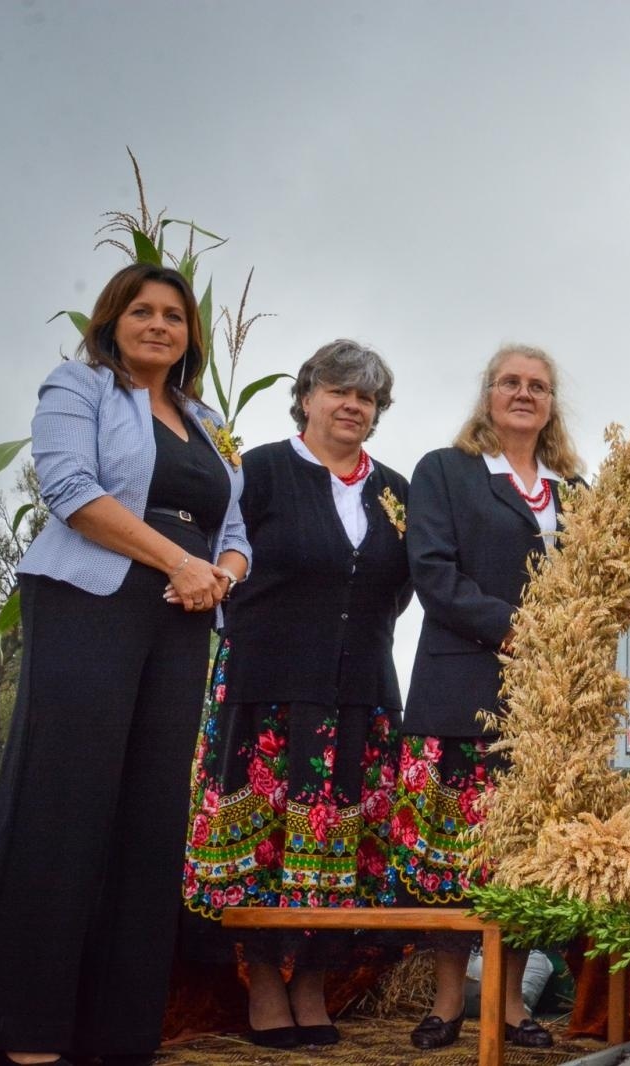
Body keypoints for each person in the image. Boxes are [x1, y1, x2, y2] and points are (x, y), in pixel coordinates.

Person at [0, 263, 249, 1066]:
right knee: (65, 806)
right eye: (142, 311)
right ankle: (26, 1036)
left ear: (190, 335)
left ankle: (120, 1040)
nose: (159, 325)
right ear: (112, 320)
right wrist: (179, 561)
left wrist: (219, 575)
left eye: (174, 315)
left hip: (182, 614)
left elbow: (236, 529)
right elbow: (69, 488)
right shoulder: (80, 386)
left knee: (150, 817)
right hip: (91, 599)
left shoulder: (207, 422)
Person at [182, 340, 410, 1049]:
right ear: (307, 397)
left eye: (366, 397)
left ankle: (312, 982)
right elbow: (220, 559)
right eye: (339, 390)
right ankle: (264, 983)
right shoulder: (258, 472)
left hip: (361, 695)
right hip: (268, 692)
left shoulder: (396, 490)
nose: (352, 405)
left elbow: (399, 590)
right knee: (264, 846)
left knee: (341, 848)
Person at [394, 343, 583, 1051]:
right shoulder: (445, 471)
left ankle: (508, 1005)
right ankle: (448, 1002)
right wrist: (518, 628)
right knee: (452, 856)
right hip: (460, 687)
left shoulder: (576, 490)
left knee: (522, 857)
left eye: (538, 385)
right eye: (510, 382)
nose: (524, 393)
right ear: (488, 395)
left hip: (546, 702)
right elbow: (433, 572)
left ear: (552, 404)